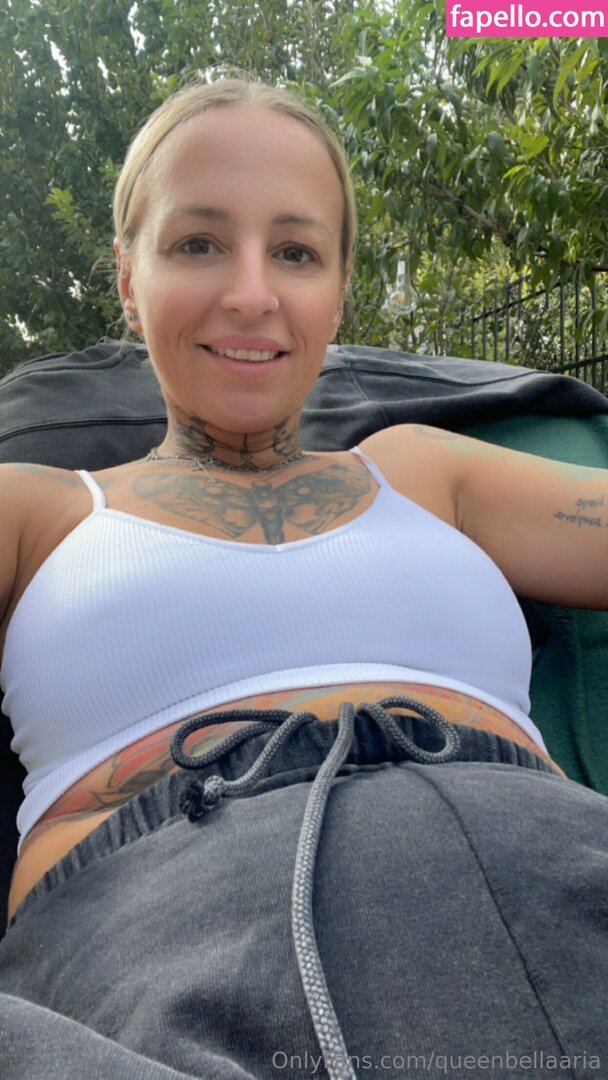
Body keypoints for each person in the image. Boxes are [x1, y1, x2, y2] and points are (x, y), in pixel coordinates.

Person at [0, 75, 606, 1080]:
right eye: (198, 243)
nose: (251, 293)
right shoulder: (36, 511)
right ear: (128, 277)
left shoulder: (424, 471)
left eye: (294, 252)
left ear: (337, 288)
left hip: (553, 877)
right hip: (159, 943)